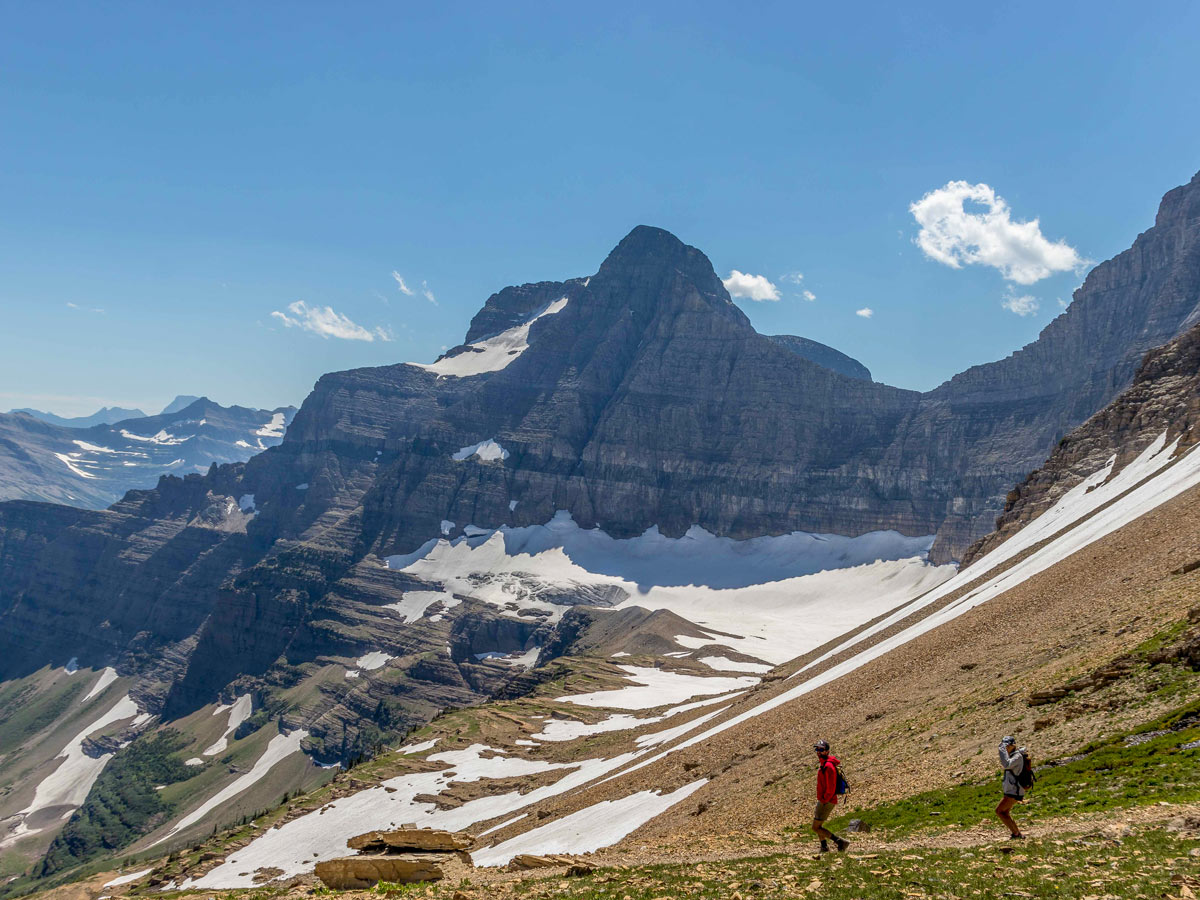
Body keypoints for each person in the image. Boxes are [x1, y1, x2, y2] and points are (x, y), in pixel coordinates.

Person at [811, 739, 849, 855]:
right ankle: (824, 847)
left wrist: (823, 799)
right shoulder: (824, 764)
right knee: (818, 825)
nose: (818, 752)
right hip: (825, 799)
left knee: (815, 827)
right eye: (817, 749)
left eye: (821, 750)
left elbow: (831, 788)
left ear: (827, 751)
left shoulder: (828, 767)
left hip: (827, 800)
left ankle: (839, 841)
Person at [996, 735, 1027, 839]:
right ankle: (1016, 833)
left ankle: (1016, 834)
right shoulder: (1014, 755)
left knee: (999, 811)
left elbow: (1006, 764)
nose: (1006, 748)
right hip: (1012, 789)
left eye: (1007, 746)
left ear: (1013, 745)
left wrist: (1001, 750)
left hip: (1014, 790)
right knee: (1005, 812)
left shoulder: (1017, 756)